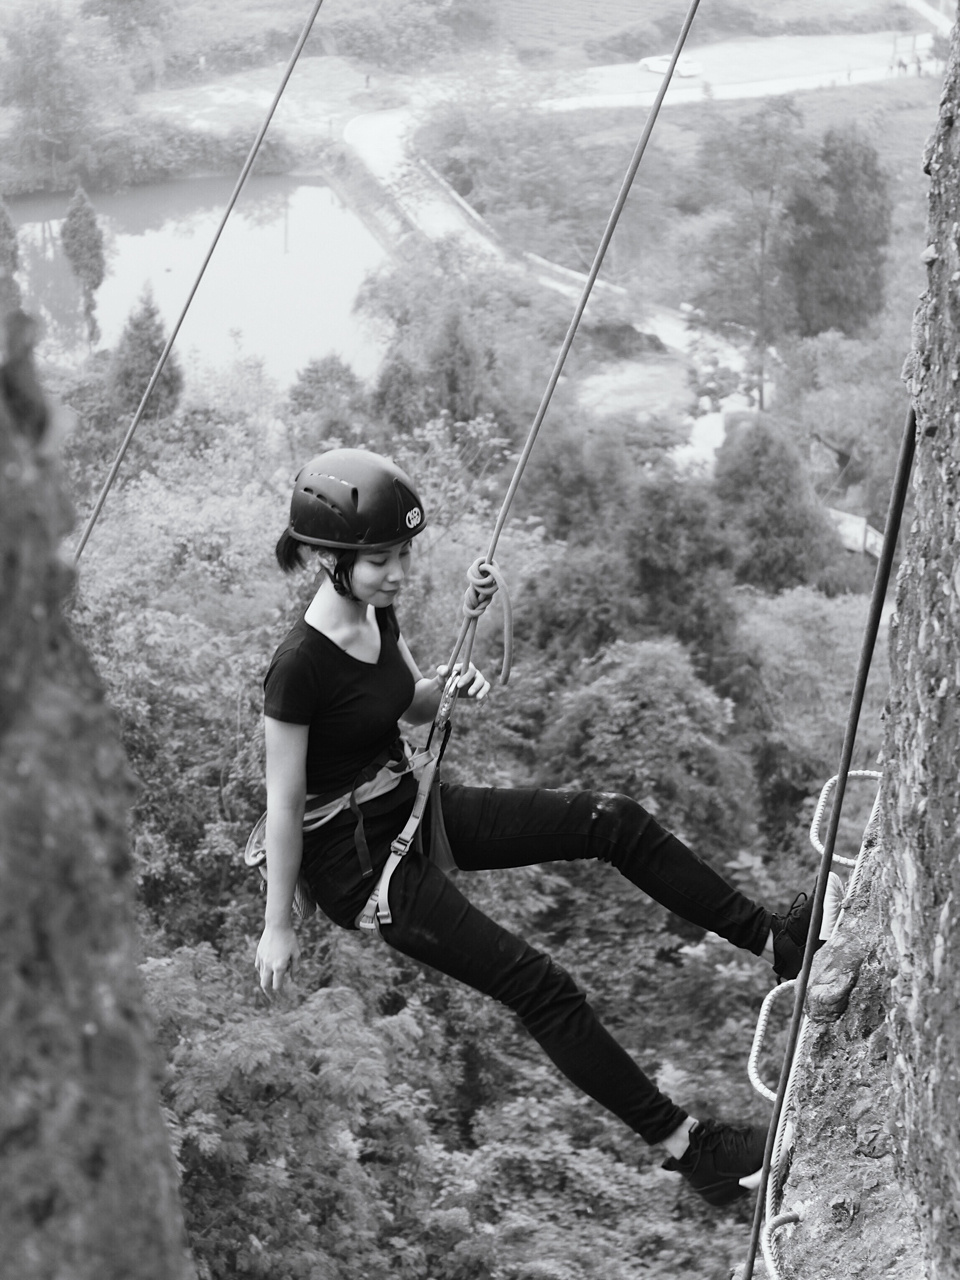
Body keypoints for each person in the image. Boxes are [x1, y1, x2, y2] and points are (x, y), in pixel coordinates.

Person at [255, 448, 831, 1208]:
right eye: (378, 560)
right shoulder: (296, 667)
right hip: (358, 866)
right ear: (327, 558)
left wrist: (447, 680)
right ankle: (694, 1150)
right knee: (541, 987)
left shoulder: (375, 614)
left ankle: (771, 940)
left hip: (409, 808)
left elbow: (410, 706)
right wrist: (277, 927)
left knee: (611, 821)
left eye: (402, 555)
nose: (396, 572)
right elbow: (283, 802)